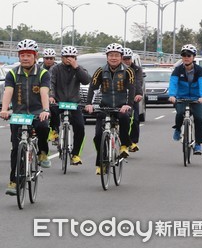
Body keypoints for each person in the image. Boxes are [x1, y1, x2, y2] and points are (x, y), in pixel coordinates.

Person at [0, 39, 51, 195]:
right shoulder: (13, 74)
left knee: (43, 127)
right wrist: (4, 110)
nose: (25, 58)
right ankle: (14, 181)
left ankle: (42, 152)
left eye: (29, 55)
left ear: (35, 56)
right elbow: (8, 91)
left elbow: (44, 92)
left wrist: (45, 110)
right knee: (16, 148)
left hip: (37, 112)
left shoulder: (43, 73)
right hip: (19, 113)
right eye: (22, 55)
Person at [85, 43, 135, 175]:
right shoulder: (100, 71)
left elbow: (131, 89)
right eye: (111, 55)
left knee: (124, 118)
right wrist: (89, 104)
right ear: (107, 57)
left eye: (116, 55)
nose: (114, 58)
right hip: (105, 107)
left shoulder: (128, 71)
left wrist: (128, 104)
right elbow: (93, 88)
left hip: (121, 107)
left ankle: (124, 145)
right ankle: (101, 163)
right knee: (98, 137)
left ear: (121, 57)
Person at [49, 45, 90, 165]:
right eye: (66, 56)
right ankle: (54, 131)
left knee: (80, 127)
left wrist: (76, 67)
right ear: (61, 57)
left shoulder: (78, 69)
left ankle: (75, 154)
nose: (69, 59)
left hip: (74, 103)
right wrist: (51, 96)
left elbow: (86, 80)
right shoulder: (55, 69)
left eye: (72, 57)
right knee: (51, 111)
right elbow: (51, 82)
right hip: (58, 101)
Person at [168, 44, 202, 155]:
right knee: (180, 113)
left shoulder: (200, 70)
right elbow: (173, 83)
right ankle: (178, 129)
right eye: (183, 55)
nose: (186, 57)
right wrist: (172, 95)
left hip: (196, 99)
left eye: (188, 55)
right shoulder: (177, 70)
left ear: (193, 57)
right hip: (181, 98)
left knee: (199, 120)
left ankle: (198, 144)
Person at [122, 47, 143, 153]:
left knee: (134, 119)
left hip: (132, 96)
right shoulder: (117, 69)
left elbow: (138, 82)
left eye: (128, 59)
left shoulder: (137, 69)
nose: (126, 61)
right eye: (124, 59)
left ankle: (133, 141)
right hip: (119, 97)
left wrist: (139, 94)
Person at [41, 48, 59, 143]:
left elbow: (54, 84)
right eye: (46, 58)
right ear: (43, 59)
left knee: (54, 110)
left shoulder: (57, 68)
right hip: (42, 95)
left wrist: (52, 96)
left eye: (51, 58)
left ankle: (55, 132)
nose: (49, 60)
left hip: (55, 95)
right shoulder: (39, 68)